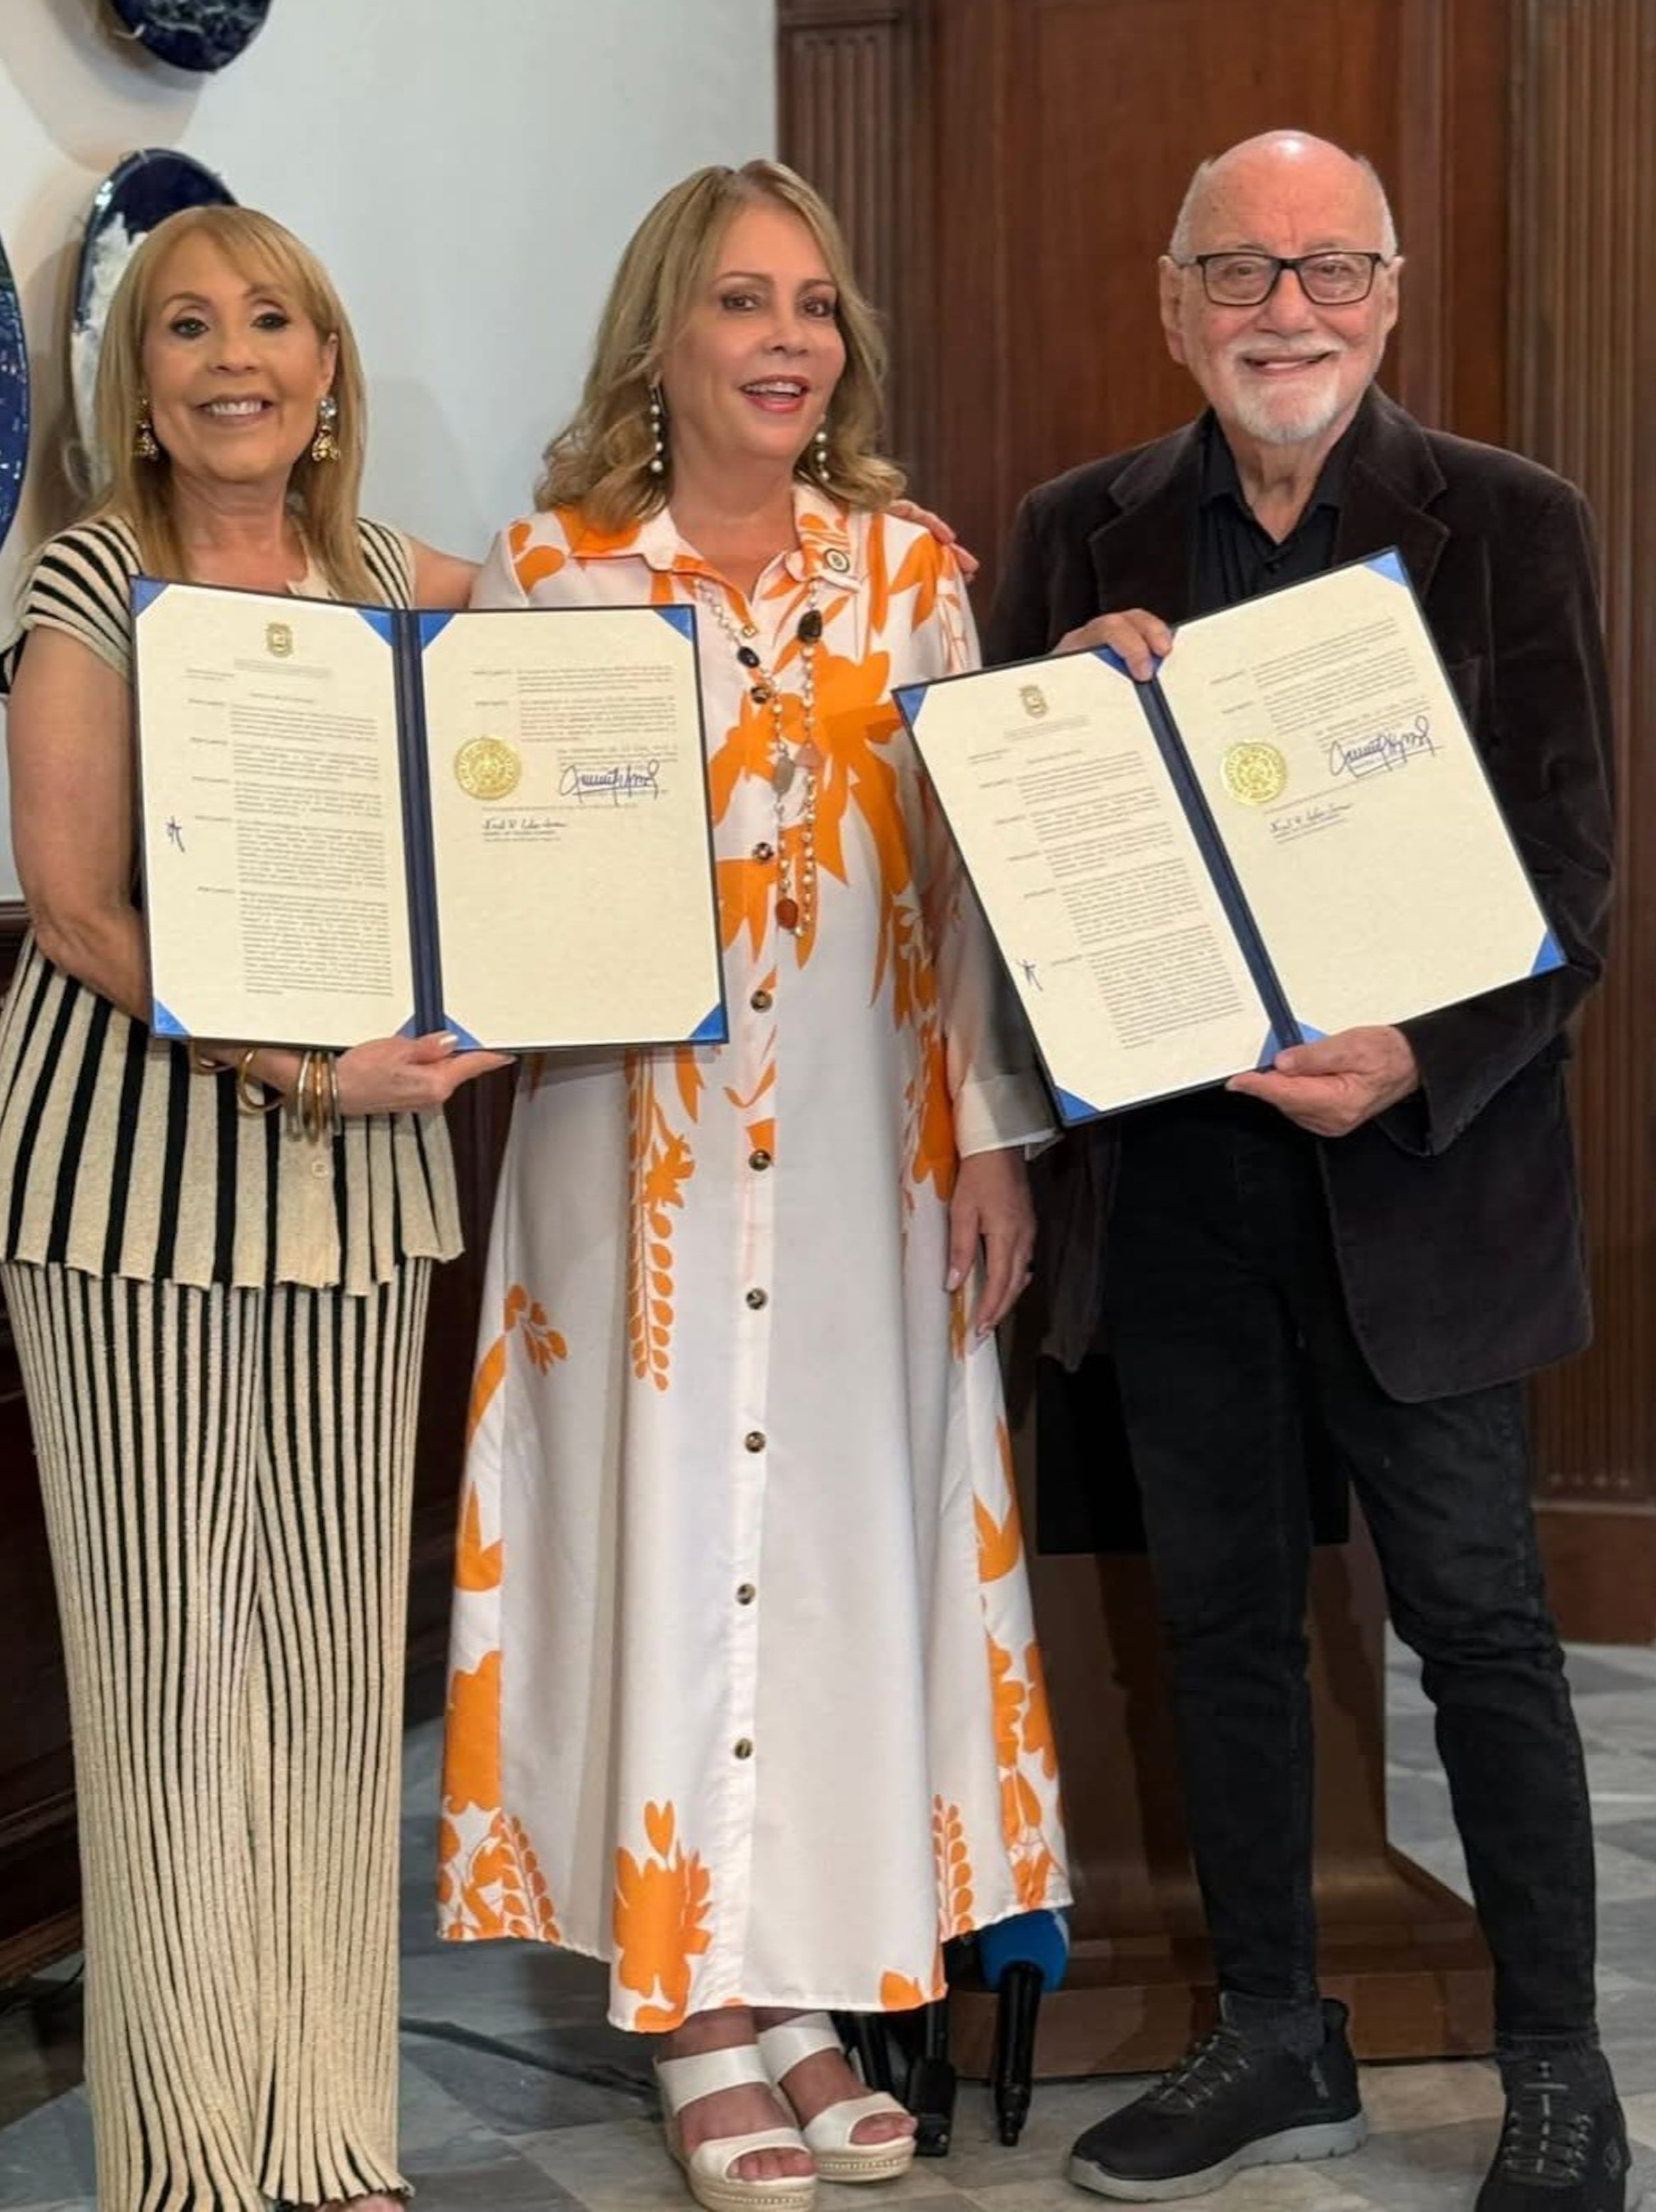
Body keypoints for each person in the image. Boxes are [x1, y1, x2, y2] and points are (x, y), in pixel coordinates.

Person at [987, 130, 1623, 2211]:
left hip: (1428, 1180)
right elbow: (1007, 871)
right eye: (1242, 273)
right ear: (1172, 304)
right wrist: (1051, 723)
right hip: (1176, 1190)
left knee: (1485, 1631)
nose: (1289, 310)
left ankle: (1557, 2065)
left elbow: (1575, 890)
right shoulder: (1074, 540)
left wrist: (1414, 1063)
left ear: (1395, 294)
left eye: (1331, 270)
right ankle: (1273, 2030)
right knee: (1225, 1625)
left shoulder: (1515, 528)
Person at [436, 159, 1071, 2212]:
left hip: (868, 1168)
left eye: (814, 306)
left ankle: (794, 1978)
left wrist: (987, 1128)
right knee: (658, 1524)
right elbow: (498, 875)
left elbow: (968, 890)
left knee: (826, 1550)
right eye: (741, 302)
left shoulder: (916, 578)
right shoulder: (553, 581)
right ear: (663, 340)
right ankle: (691, 2008)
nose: (789, 339)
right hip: (627, 1155)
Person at [0, 203, 506, 2212]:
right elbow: (78, 909)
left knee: (328, 1665)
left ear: (328, 362)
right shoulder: (92, 581)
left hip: (358, 1197)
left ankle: (326, 2129)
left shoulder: (392, 579)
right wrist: (299, 1069)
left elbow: (621, 626)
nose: (231, 354)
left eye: (270, 317)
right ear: (144, 383)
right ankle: (193, 2156)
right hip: (135, 1192)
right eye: (186, 326)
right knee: (173, 1675)